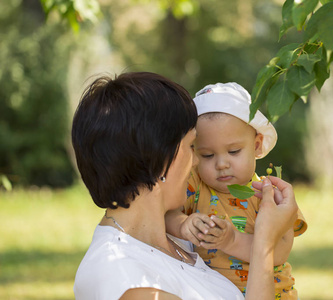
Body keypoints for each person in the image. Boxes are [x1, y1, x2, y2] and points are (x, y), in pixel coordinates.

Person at [72, 72, 299, 300]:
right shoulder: (125, 277)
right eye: (194, 147)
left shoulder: (177, 241)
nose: (198, 162)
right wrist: (263, 241)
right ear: (161, 160)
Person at [165, 83, 307, 299]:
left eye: (233, 151)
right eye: (207, 155)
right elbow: (164, 214)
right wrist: (183, 224)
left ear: (257, 145)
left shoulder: (270, 195)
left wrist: (231, 241)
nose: (222, 164)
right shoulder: (195, 186)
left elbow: (280, 251)